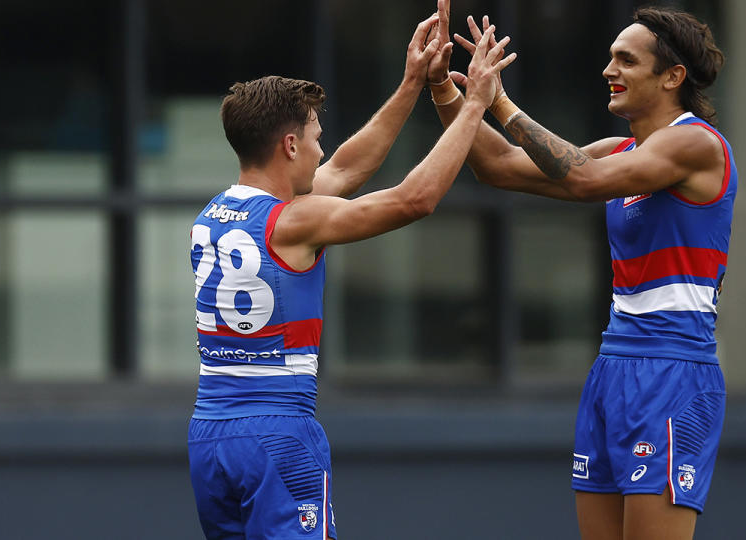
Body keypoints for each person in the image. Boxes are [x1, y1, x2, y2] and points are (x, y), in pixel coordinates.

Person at [186, 10, 515, 539]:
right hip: (278, 433)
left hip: (209, 434)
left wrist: (411, 83)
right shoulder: (294, 220)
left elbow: (345, 169)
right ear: (289, 146)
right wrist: (474, 103)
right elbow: (415, 199)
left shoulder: (214, 215)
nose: (322, 149)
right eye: (315, 137)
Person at [426, 3, 736, 539]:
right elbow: (497, 168)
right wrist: (446, 92)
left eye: (626, 60)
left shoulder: (695, 143)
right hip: (613, 368)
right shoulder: (622, 151)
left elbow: (585, 179)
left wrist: (499, 101)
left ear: (672, 77)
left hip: (672, 372)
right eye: (610, 58)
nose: (608, 70)